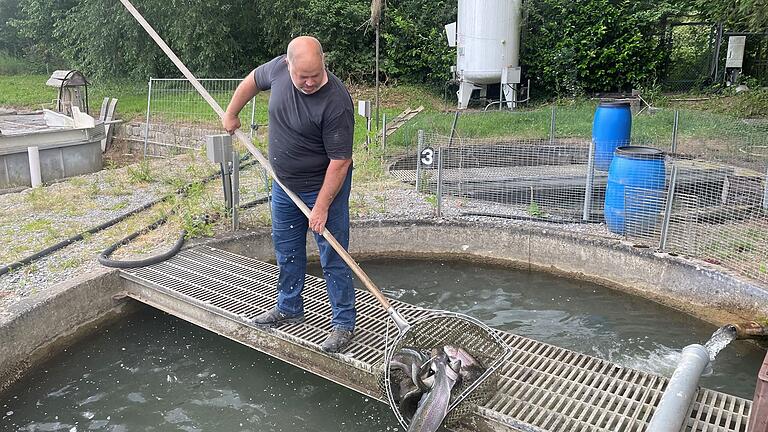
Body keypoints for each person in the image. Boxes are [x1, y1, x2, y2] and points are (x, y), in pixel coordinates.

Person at [222, 36, 356, 353]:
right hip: (283, 185)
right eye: (303, 77)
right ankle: (289, 306)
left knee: (334, 255)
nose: (310, 82)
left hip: (324, 188)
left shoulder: (336, 102)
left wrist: (321, 208)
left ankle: (343, 324)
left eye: (316, 75)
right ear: (288, 64)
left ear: (324, 64)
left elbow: (340, 163)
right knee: (287, 249)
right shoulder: (278, 71)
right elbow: (252, 81)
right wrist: (231, 112)